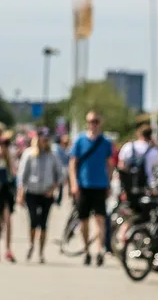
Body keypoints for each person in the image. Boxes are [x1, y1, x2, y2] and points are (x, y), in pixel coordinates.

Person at [68, 110, 114, 266]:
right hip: (83, 186)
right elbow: (72, 164)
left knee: (100, 219)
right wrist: (74, 184)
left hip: (100, 185)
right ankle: (87, 250)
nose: (93, 124)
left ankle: (100, 250)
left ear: (99, 123)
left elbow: (110, 164)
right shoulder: (80, 141)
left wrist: (109, 183)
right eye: (90, 121)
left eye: (95, 121)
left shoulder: (106, 142)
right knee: (84, 221)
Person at [18, 127, 62, 262]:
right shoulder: (29, 154)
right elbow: (22, 175)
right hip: (32, 192)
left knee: (43, 223)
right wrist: (20, 193)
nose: (44, 141)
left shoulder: (53, 154)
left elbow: (60, 175)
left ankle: (41, 252)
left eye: (46, 139)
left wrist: (53, 188)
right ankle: (31, 244)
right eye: (42, 138)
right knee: (33, 221)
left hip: (46, 193)